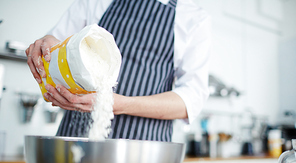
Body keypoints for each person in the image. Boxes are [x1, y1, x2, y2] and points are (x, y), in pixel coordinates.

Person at [26, 0, 211, 142]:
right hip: (76, 142)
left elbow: (190, 99)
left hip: (142, 154)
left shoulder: (192, 17)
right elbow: (57, 44)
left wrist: (119, 104)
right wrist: (46, 44)